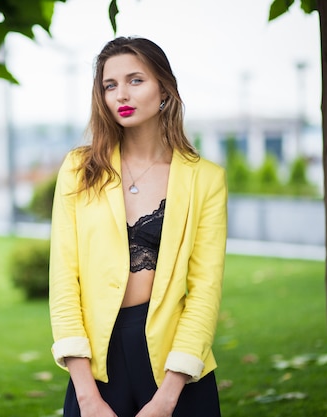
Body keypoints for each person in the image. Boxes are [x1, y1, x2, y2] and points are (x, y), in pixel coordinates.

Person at [49, 36, 227, 417]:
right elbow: (64, 281)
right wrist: (87, 398)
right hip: (96, 368)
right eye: (110, 85)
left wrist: (167, 398)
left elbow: (204, 291)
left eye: (135, 80)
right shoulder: (78, 171)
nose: (121, 95)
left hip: (176, 367)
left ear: (164, 88)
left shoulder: (206, 180)